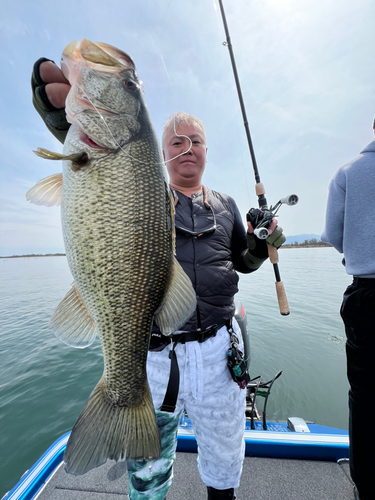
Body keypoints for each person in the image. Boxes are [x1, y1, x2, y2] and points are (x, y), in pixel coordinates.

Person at [32, 57, 285, 500]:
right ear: (162, 152)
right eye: (177, 142)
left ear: (207, 150)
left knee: (225, 454)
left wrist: (261, 247)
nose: (188, 148)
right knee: (148, 472)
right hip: (154, 356)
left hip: (218, 353)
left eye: (197, 141)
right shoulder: (145, 184)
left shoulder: (225, 204)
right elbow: (112, 168)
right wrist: (65, 120)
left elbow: (241, 262)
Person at [321, 120, 375, 500]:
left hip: (366, 297)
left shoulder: (348, 173)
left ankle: (366, 485)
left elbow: (335, 236)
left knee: (366, 396)